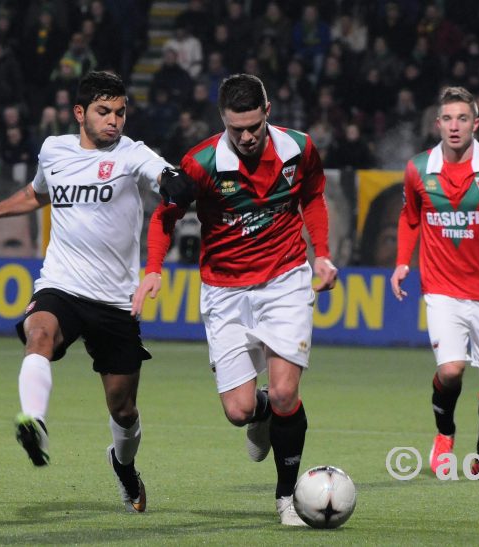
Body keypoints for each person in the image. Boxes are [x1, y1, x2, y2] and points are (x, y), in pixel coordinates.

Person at [0, 71, 176, 513]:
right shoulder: (53, 150)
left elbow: (161, 173)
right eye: (103, 112)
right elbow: (39, 193)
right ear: (80, 113)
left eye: (119, 112)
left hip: (115, 302)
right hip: (61, 285)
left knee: (124, 410)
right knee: (39, 333)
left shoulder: (133, 154)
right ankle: (33, 420)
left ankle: (123, 464)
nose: (113, 121)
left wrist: (174, 182)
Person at [133, 74, 337, 525]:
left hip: (285, 281)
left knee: (286, 392)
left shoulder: (299, 149)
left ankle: (288, 499)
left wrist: (321, 256)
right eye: (234, 128)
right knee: (238, 411)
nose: (245, 137)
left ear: (267, 108)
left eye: (252, 127)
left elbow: (315, 198)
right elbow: (164, 218)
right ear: (222, 119)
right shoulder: (201, 162)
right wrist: (152, 270)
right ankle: (260, 412)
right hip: (224, 292)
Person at [389, 86, 479, 481]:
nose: (455, 126)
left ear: (475, 124)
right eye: (448, 119)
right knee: (452, 370)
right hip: (441, 290)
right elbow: (410, 217)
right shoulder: (419, 168)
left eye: (463, 118)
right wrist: (402, 262)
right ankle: (444, 435)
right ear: (437, 124)